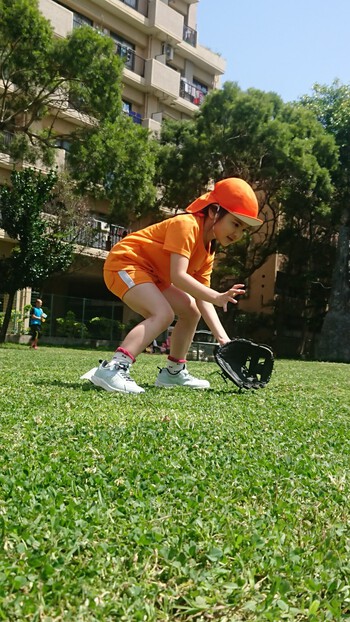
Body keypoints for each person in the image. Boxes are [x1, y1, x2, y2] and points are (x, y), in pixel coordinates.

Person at [83, 178, 262, 394]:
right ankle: (113, 368)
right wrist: (217, 296)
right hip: (125, 263)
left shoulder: (208, 250)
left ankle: (173, 372)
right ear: (215, 211)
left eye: (243, 229)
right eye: (235, 223)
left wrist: (224, 340)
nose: (238, 234)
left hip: (154, 276)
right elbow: (178, 276)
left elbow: (201, 297)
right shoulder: (186, 225)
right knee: (163, 313)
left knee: (191, 312)